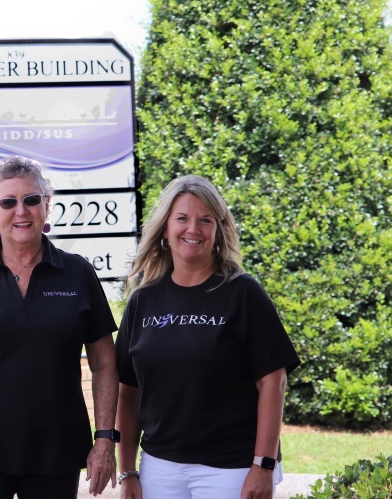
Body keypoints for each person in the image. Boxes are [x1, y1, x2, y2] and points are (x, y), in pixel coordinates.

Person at [0, 155, 119, 499]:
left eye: (31, 200)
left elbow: (104, 362)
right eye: (8, 202)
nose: (21, 211)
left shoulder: (77, 273)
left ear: (47, 205)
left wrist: (105, 439)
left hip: (56, 449)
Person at [115, 175, 301, 499]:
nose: (193, 229)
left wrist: (263, 465)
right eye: (182, 218)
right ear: (165, 229)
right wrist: (128, 471)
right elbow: (127, 392)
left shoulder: (244, 294)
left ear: (218, 230)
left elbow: (274, 382)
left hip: (233, 468)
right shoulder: (143, 301)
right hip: (159, 466)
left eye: (205, 220)